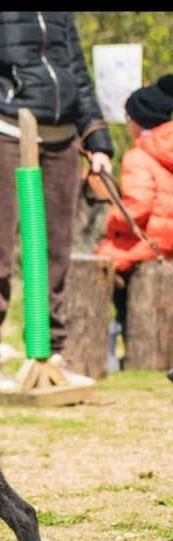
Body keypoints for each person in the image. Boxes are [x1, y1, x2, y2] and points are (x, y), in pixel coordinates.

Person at [0, 12, 115, 392]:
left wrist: (96, 137)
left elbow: (76, 71)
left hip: (61, 135)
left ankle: (50, 354)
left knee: (57, 251)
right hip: (2, 128)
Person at [94, 74, 173, 369]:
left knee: (101, 257)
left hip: (147, 240)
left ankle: (115, 333)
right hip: (167, 239)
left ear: (139, 121)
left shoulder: (139, 155)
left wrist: (112, 224)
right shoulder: (165, 149)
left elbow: (137, 208)